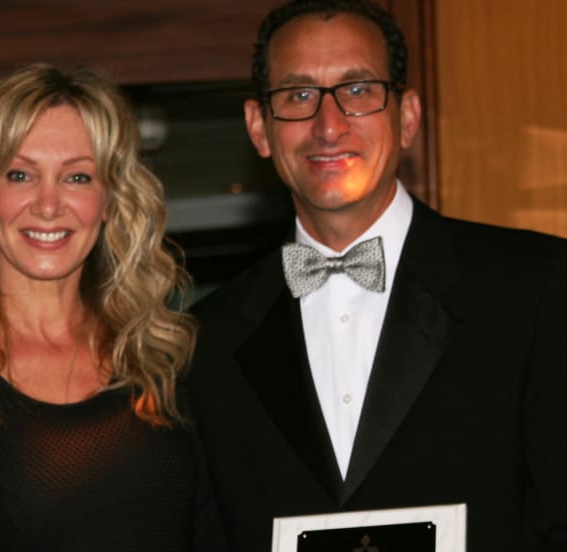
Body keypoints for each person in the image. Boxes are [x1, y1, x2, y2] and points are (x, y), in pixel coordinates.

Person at [186, 0, 567, 550]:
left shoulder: (536, 289)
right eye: (298, 95)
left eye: (359, 90)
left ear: (407, 117)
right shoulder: (204, 343)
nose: (329, 125)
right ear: (259, 128)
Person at [0, 63, 226, 551]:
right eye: (20, 175)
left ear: (110, 201)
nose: (48, 205)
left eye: (77, 177)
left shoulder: (167, 355)